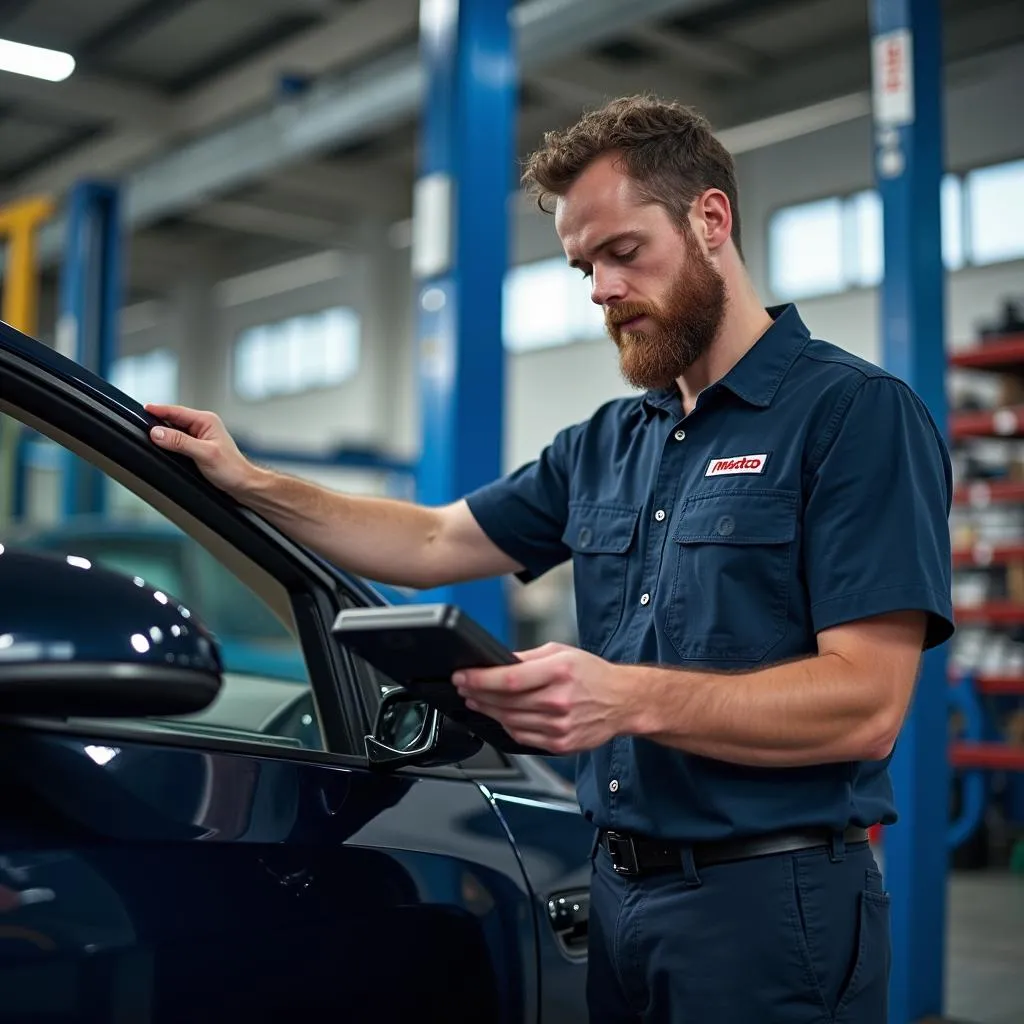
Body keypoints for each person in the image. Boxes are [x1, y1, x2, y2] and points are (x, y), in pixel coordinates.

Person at [146, 94, 954, 1023]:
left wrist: (625, 695)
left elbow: (866, 707)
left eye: (622, 252)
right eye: (583, 266)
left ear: (711, 220)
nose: (602, 291)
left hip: (775, 908)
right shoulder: (608, 441)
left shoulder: (852, 415)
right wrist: (250, 483)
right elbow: (433, 539)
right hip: (618, 898)